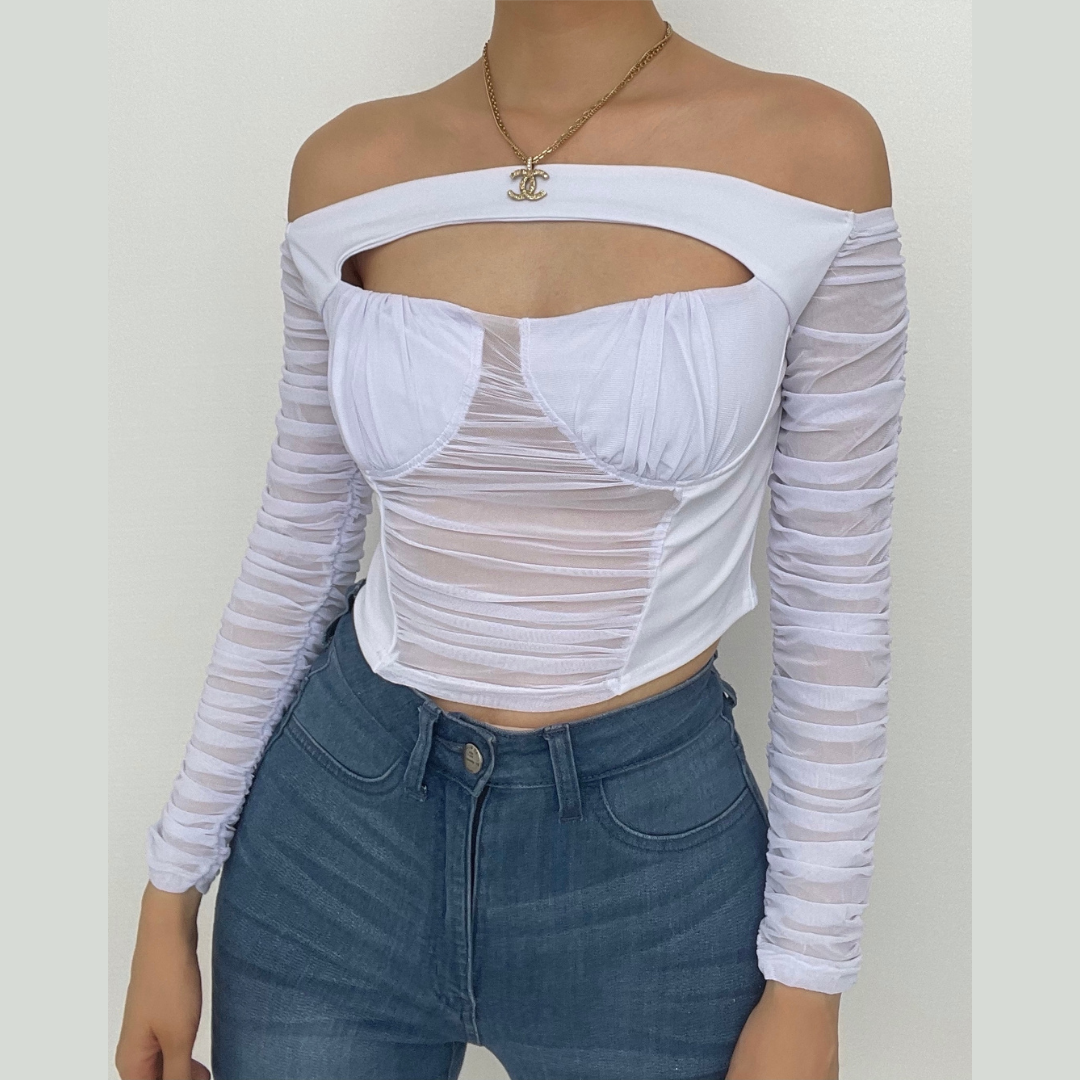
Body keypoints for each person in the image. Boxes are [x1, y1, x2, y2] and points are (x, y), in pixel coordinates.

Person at [116, 2, 906, 1078]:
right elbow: (299, 545)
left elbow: (836, 588)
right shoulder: (347, 168)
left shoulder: (813, 156)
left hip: (653, 883)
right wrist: (171, 890)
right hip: (335, 836)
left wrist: (809, 979)